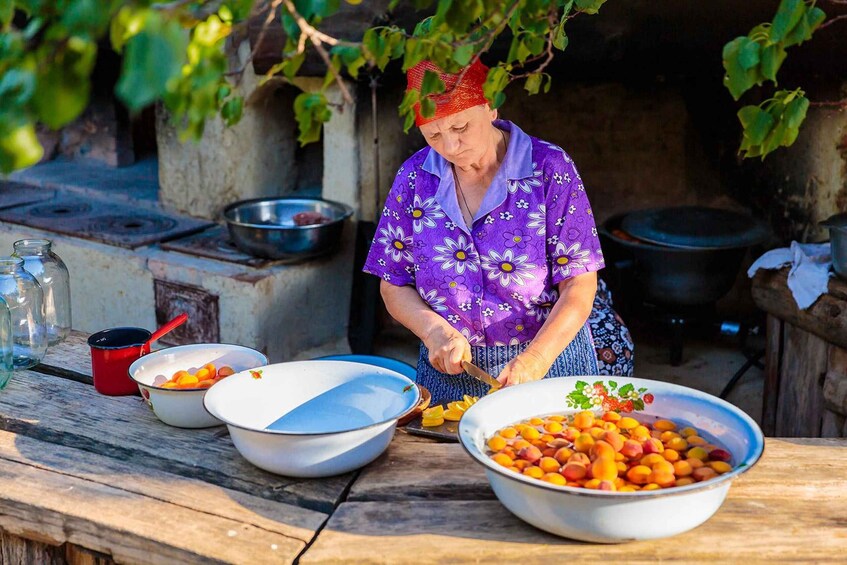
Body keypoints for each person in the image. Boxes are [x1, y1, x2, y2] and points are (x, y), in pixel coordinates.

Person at [363, 59, 633, 404]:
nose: (450, 146)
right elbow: (393, 282)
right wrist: (435, 333)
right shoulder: (414, 177)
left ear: (490, 105)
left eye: (460, 127)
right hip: (451, 374)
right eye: (434, 134)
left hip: (549, 364)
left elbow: (579, 283)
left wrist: (534, 361)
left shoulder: (549, 168)